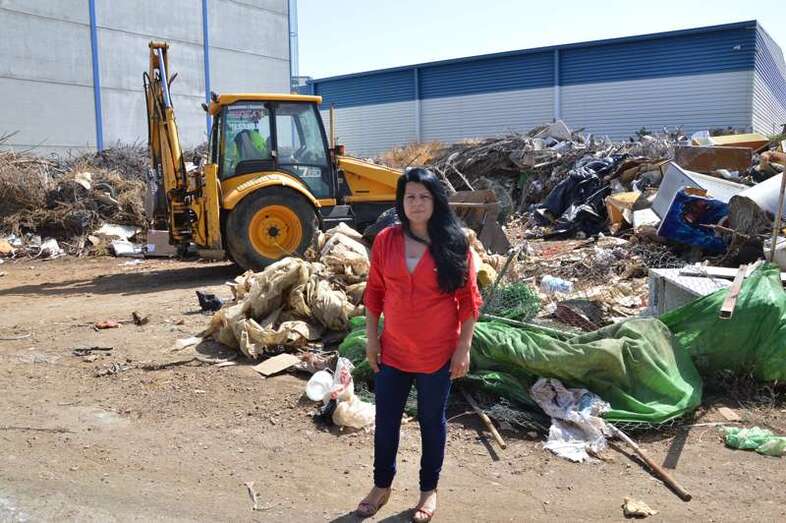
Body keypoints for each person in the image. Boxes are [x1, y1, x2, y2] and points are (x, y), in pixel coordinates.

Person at [355, 168, 482, 522]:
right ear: (401, 201)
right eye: (410, 196)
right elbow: (374, 293)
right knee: (387, 421)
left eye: (424, 196)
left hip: (436, 353)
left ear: (436, 200)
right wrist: (371, 339)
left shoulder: (454, 242)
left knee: (431, 421)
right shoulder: (386, 241)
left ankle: (428, 491)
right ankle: (381, 486)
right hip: (393, 349)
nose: (416, 203)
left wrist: (463, 347)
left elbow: (468, 301)